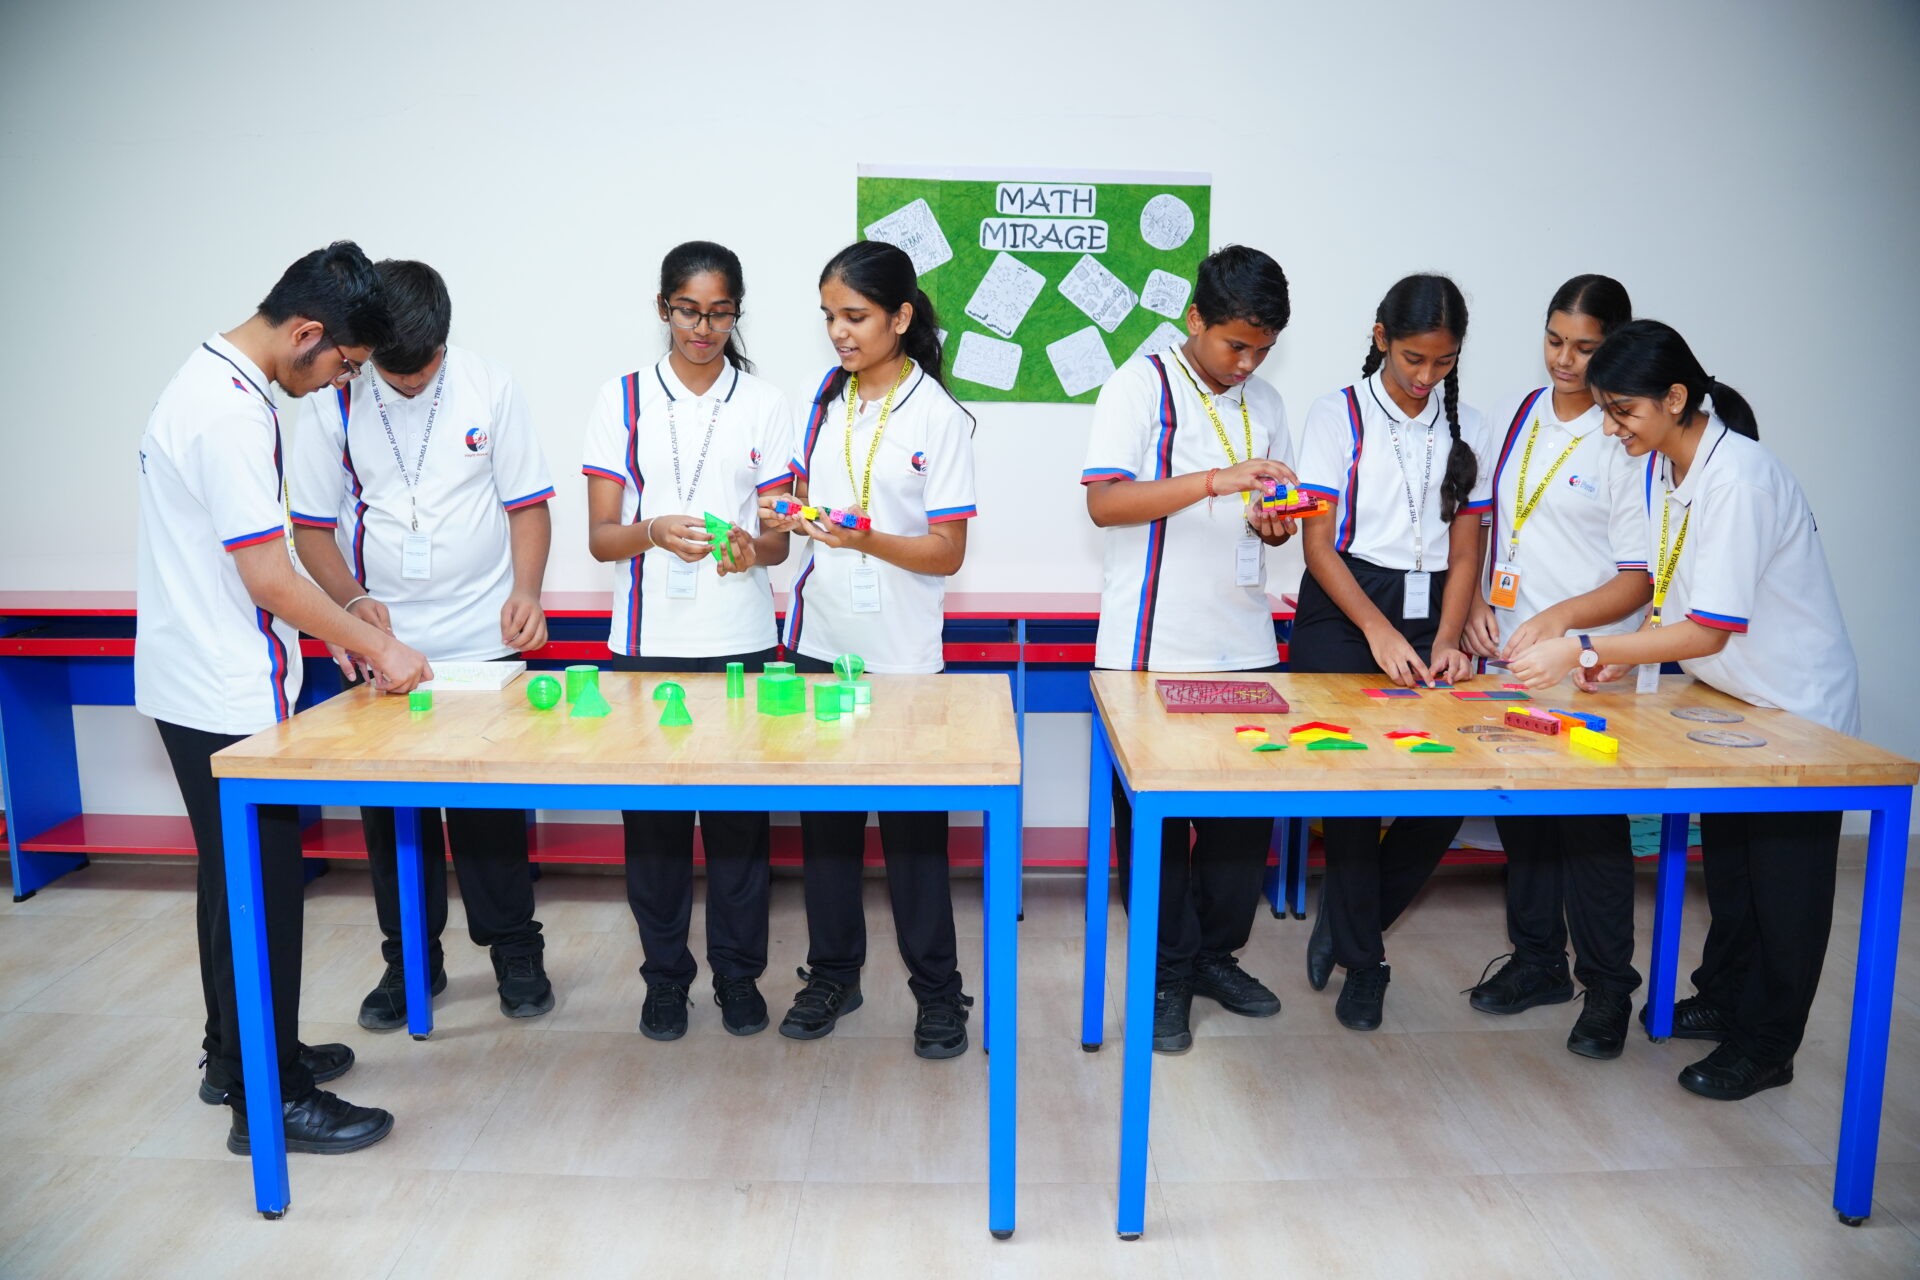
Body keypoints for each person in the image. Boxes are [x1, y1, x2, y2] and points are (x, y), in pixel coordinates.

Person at [1511, 318, 1860, 1100]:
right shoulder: (1671, 468)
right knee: (1733, 874)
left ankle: (1767, 1046)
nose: (1613, 427)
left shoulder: (1739, 479)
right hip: (1734, 699)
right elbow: (1668, 592)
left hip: (1796, 708)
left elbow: (1707, 627)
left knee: (1785, 891)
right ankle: (1728, 997)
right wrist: (1615, 656)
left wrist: (1589, 651)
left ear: (1675, 398)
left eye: (1624, 411)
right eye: (1606, 411)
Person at [136, 240, 431, 1154]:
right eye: (342, 364)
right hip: (224, 692)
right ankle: (275, 1100)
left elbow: (269, 561)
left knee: (232, 890)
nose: (338, 382)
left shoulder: (210, 383)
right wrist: (377, 644)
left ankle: (238, 1059)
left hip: (198, 680)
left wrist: (344, 610)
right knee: (263, 893)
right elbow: (267, 575)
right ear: (306, 333)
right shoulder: (227, 413)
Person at [289, 259, 556, 1029]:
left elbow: (528, 505)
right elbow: (310, 528)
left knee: (490, 815)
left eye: (423, 367)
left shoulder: (488, 386)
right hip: (383, 646)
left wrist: (527, 592)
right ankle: (411, 962)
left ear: (444, 339)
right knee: (391, 819)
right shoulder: (336, 399)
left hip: (480, 637)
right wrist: (351, 605)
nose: (408, 383)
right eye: (390, 369)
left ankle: (515, 952)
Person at [761, 240, 978, 1059]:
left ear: (900, 317)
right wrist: (791, 516)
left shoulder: (940, 417)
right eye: (828, 317)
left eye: (854, 317)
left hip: (901, 658)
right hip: (822, 644)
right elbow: (801, 499)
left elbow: (946, 552)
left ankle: (938, 995)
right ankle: (833, 976)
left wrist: (862, 538)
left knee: (915, 839)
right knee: (828, 831)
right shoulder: (825, 400)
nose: (839, 333)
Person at [1081, 244, 1298, 1054]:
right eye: (1234, 345)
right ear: (1195, 319)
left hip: (1244, 644)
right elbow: (1106, 504)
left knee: (1243, 830)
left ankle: (1213, 958)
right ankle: (1167, 975)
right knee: (1159, 834)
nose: (1246, 364)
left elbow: (1262, 510)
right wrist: (1217, 479)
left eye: (1261, 350)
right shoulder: (1136, 387)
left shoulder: (1267, 402)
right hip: (1151, 651)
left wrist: (1270, 518)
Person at [582, 240, 795, 1041]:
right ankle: (665, 979)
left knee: (741, 826)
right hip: (644, 643)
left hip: (740, 637)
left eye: (720, 312)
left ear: (737, 311)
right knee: (657, 829)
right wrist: (651, 530)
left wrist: (752, 547)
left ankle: (738, 978)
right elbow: (603, 539)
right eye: (687, 310)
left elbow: (779, 541)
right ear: (662, 306)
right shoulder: (623, 397)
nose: (703, 328)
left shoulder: (765, 402)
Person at [1290, 273, 1492, 1031]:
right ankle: (1367, 961)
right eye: (1413, 358)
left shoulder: (1468, 424)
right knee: (1353, 787)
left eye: (1442, 363)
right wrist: (1377, 631)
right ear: (1381, 337)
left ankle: (1347, 918)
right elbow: (1317, 545)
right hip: (1344, 609)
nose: (1424, 377)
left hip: (1431, 606)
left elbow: (1467, 550)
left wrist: (1445, 635)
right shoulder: (1335, 414)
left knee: (1453, 786)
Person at [1459, 275, 1652, 1059]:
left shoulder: (1623, 442)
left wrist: (1563, 622)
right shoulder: (1523, 416)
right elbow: (1497, 522)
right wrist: (1477, 599)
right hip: (1515, 658)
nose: (1565, 361)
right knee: (1527, 823)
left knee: (1593, 837)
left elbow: (1638, 578)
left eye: (1585, 347)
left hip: (1588, 666)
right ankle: (1538, 962)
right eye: (1554, 340)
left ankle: (1608, 989)